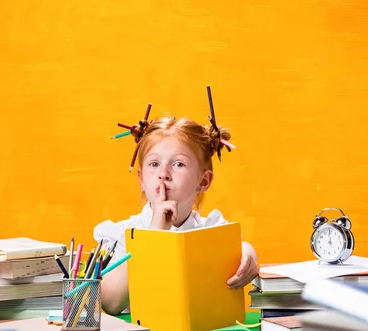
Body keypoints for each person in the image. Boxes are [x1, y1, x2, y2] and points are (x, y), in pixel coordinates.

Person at [94, 115, 259, 315]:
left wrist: (249, 255)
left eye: (178, 164)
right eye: (154, 164)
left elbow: (239, 246)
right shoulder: (122, 234)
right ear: (142, 180)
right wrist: (153, 234)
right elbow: (111, 303)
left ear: (203, 181)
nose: (163, 173)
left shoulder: (211, 230)